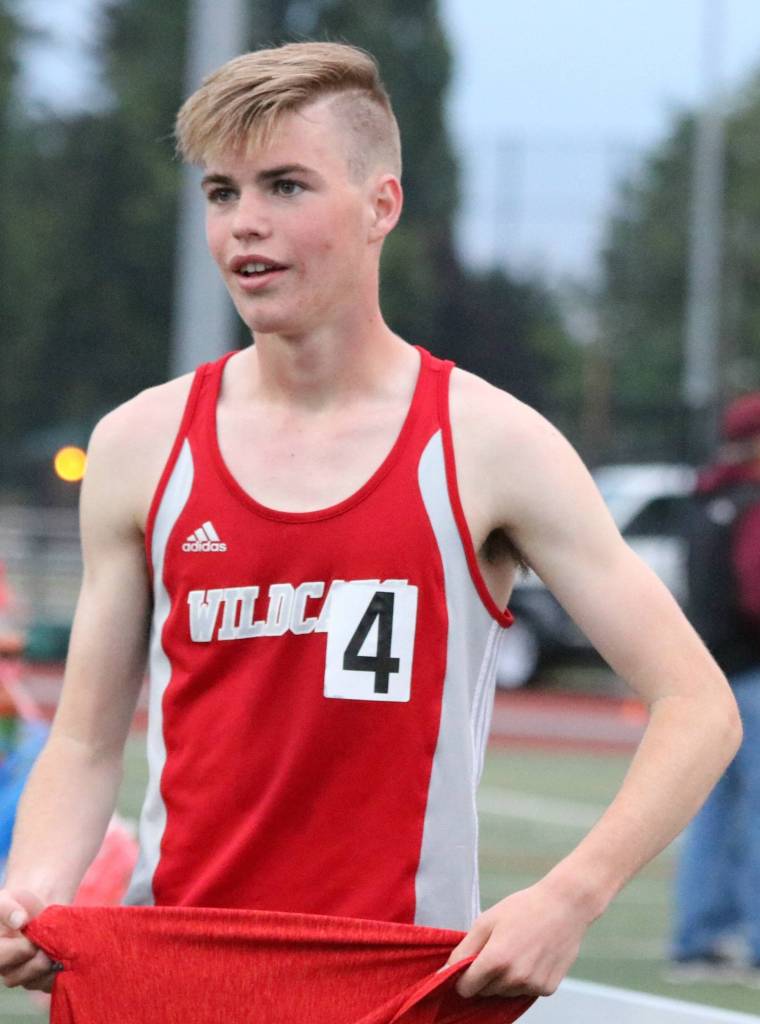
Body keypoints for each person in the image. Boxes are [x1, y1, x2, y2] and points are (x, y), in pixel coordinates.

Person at [0, 41, 741, 1001]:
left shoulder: (490, 443)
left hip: (393, 988)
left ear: (381, 205)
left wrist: (569, 896)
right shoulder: (139, 444)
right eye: (222, 192)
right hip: (173, 976)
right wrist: (35, 886)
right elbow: (86, 740)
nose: (245, 223)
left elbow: (699, 707)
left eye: (286, 186)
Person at [669, 394, 760, 982]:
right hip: (752, 671)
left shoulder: (706, 496)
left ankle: (697, 937)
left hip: (708, 672)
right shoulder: (752, 502)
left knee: (713, 812)